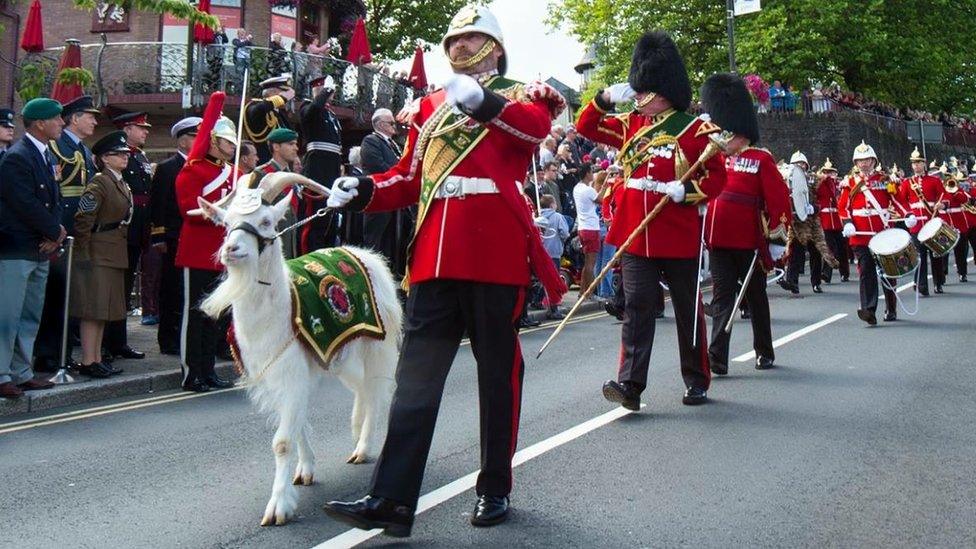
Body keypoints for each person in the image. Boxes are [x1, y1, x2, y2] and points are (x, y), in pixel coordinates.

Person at [321, 5, 567, 535]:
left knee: (497, 378)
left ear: (495, 47)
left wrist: (482, 101)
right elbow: (408, 178)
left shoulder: (523, 94)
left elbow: (531, 134)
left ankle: (495, 487)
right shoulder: (431, 105)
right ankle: (391, 499)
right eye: (453, 39)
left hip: (494, 253)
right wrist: (363, 188)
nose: (458, 46)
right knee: (415, 381)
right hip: (434, 256)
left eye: (471, 38)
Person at [576, 31, 726, 409]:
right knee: (637, 308)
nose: (639, 97)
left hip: (676, 231)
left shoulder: (693, 130)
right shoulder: (629, 125)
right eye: (637, 90)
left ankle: (696, 379)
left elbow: (717, 177)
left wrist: (686, 193)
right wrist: (604, 99)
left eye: (645, 91)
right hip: (635, 235)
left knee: (687, 309)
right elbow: (585, 127)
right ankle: (630, 385)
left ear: (665, 91)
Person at [700, 73, 791, 375]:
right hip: (718, 241)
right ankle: (717, 357)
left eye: (731, 134)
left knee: (755, 297)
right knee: (722, 299)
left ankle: (764, 351)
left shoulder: (761, 159)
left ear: (743, 133)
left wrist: (777, 241)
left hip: (748, 241)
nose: (726, 139)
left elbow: (778, 200)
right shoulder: (716, 159)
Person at [0, 98, 65, 399]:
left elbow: (53, 200)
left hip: (39, 247)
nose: (62, 123)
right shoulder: (18, 157)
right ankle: (2, 374)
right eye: (57, 119)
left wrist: (56, 234)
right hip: (17, 248)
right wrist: (55, 231)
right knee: (7, 315)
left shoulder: (45, 156)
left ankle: (21, 372)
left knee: (29, 315)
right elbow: (23, 202)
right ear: (40, 123)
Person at [174, 92, 237, 393]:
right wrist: (220, 208)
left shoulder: (232, 173)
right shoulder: (193, 170)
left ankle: (208, 369)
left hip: (222, 252)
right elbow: (188, 210)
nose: (232, 148)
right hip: (197, 250)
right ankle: (191, 372)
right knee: (196, 314)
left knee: (215, 315)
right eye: (228, 143)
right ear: (213, 141)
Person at [34, 95, 100, 373]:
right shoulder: (56, 147)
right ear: (75, 118)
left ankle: (62, 349)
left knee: (70, 295)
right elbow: (53, 194)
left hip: (77, 231)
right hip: (59, 231)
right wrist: (54, 229)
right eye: (90, 116)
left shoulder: (82, 149)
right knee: (54, 295)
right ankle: (48, 354)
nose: (95, 121)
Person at [71, 131, 134, 379]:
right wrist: (83, 252)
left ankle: (96, 357)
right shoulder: (99, 183)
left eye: (125, 153)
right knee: (93, 309)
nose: (124, 157)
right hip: (98, 251)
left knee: (104, 310)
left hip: (113, 250)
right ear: (105, 159)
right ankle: (89, 360)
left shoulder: (119, 181)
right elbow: (83, 219)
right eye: (118, 154)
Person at [839, 141, 916, 324]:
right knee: (866, 271)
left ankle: (891, 308)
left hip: (882, 233)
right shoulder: (850, 182)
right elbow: (843, 207)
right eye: (860, 160)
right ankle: (868, 310)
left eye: (867, 160)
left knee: (887, 270)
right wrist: (848, 223)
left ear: (874, 161)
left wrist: (908, 214)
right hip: (860, 235)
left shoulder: (884, 180)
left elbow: (896, 201)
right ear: (855, 163)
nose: (864, 163)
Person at [103, 112, 152, 363]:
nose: (145, 132)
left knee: (123, 290)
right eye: (140, 128)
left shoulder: (139, 156)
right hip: (121, 233)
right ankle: (108, 343)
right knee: (113, 290)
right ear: (127, 128)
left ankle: (119, 341)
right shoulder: (120, 159)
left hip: (136, 231)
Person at [149, 116, 200, 355]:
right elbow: (158, 205)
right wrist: (159, 236)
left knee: (188, 291)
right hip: (174, 236)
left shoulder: (200, 166)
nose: (199, 140)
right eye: (193, 136)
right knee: (172, 289)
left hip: (194, 237)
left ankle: (185, 336)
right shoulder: (168, 168)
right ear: (181, 142)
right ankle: (168, 339)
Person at [361, 107, 412, 273]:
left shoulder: (393, 145)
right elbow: (376, 164)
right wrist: (396, 176)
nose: (394, 126)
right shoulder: (371, 141)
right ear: (381, 124)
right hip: (378, 195)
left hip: (393, 196)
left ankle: (389, 269)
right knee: (375, 235)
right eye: (391, 123)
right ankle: (371, 271)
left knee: (391, 236)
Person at [781, 150, 837, 294]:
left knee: (815, 252)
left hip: (812, 220)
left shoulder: (814, 179)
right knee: (795, 252)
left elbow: (826, 197)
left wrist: (815, 208)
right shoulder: (785, 178)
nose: (800, 166)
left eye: (802, 164)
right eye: (796, 164)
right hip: (797, 221)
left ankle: (816, 282)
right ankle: (792, 282)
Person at [298, 75, 342, 254]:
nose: (330, 94)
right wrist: (325, 92)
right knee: (313, 220)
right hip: (317, 170)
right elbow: (313, 110)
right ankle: (308, 256)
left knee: (329, 219)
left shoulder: (331, 114)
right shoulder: (308, 108)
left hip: (331, 170)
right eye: (326, 90)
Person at [899, 147, 946, 295]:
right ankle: (922, 287)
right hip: (916, 225)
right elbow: (902, 201)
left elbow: (943, 195)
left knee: (936, 255)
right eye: (914, 163)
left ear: (924, 164)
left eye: (918, 163)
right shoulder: (907, 182)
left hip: (931, 222)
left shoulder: (934, 180)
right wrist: (909, 214)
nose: (916, 166)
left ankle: (938, 283)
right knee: (920, 257)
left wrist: (942, 204)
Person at [251, 127, 301, 258]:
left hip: (289, 242)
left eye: (295, 144)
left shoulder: (291, 177)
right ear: (276, 147)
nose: (296, 148)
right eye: (291, 144)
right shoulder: (262, 174)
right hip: (269, 245)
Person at [245, 76, 296, 165]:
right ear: (273, 93)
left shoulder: (280, 114)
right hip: (263, 162)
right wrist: (282, 98)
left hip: (281, 164)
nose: (289, 98)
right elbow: (259, 109)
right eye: (285, 92)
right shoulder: (255, 107)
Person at [816, 158, 849, 283]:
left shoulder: (839, 184)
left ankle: (844, 273)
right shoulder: (820, 184)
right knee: (829, 248)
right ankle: (826, 273)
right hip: (825, 220)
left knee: (842, 248)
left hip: (837, 219)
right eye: (826, 172)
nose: (828, 174)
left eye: (830, 172)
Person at [538, 193, 570, 319]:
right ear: (552, 205)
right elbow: (564, 233)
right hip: (554, 252)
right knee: (553, 281)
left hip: (542, 252)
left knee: (542, 279)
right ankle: (553, 308)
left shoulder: (538, 216)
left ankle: (539, 301)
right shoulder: (557, 217)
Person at [573, 163, 602, 299]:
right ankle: (590, 293)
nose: (592, 174)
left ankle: (582, 293)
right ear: (587, 174)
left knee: (587, 262)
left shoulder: (577, 188)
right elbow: (601, 200)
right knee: (591, 263)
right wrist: (607, 185)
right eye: (591, 172)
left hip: (582, 228)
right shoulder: (588, 190)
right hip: (591, 228)